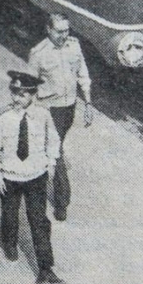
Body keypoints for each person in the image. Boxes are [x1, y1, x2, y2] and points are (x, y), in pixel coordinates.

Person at [0, 71, 65, 284]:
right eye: (14, 93)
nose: (16, 99)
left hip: (36, 176)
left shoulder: (43, 116)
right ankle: (9, 242)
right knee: (9, 215)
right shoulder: (4, 118)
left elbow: (54, 140)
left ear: (33, 94)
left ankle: (45, 269)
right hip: (10, 177)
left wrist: (51, 163)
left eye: (22, 95)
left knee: (39, 221)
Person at [28, 12, 93, 222]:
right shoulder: (38, 53)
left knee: (55, 149)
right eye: (59, 31)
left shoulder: (74, 46)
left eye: (66, 30)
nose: (63, 35)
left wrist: (89, 104)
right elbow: (30, 85)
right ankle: (62, 201)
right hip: (50, 109)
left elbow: (83, 74)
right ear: (48, 29)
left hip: (69, 108)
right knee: (57, 151)